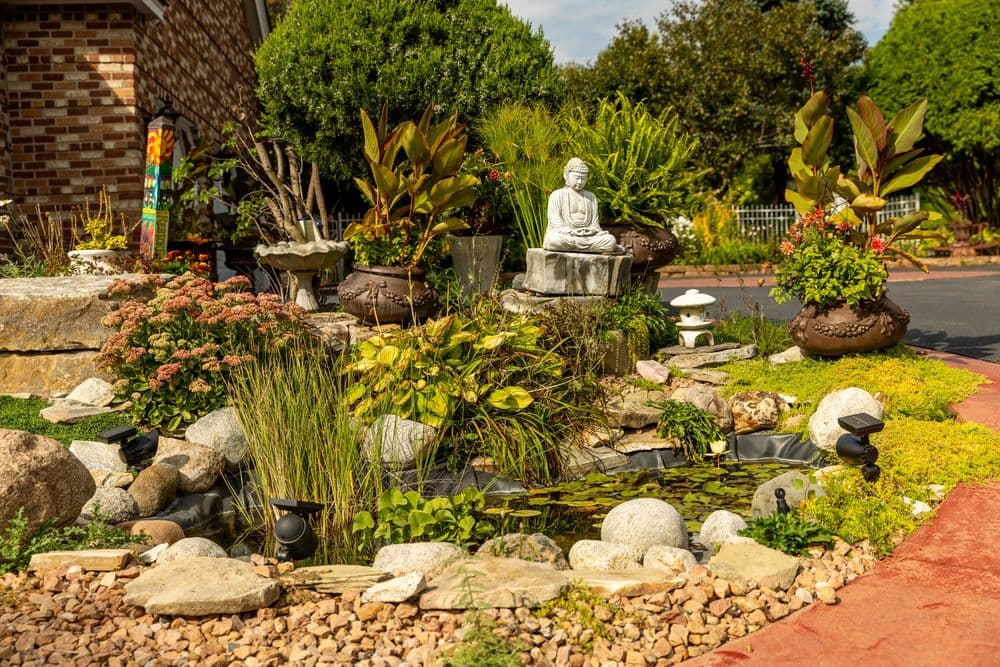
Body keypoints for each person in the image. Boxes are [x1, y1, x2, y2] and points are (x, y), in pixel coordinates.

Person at [543, 158, 624, 254]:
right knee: (554, 240)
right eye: (576, 178)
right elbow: (555, 222)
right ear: (566, 176)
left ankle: (578, 247)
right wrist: (572, 232)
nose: (580, 182)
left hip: (587, 236)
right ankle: (590, 248)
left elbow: (594, 224)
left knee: (610, 240)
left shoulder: (591, 197)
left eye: (583, 178)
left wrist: (592, 231)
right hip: (566, 235)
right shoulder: (557, 195)